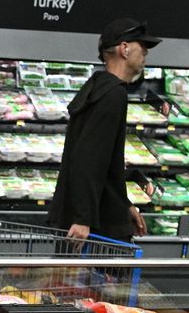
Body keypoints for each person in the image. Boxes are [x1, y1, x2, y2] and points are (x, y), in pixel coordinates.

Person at [47, 17, 159, 244]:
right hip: (100, 227)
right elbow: (89, 158)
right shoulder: (112, 94)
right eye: (142, 46)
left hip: (96, 214)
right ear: (124, 49)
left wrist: (124, 204)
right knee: (105, 280)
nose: (146, 52)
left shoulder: (98, 87)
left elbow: (102, 163)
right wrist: (82, 219)